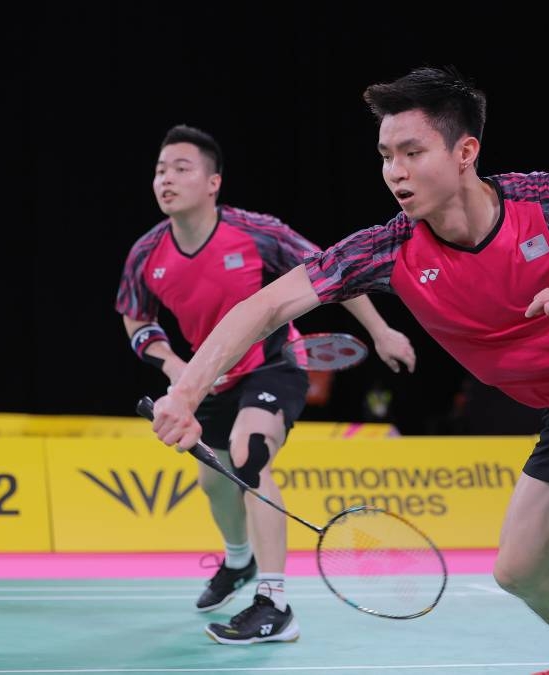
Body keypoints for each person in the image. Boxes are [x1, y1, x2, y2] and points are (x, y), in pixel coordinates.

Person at [146, 69, 549, 675]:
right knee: (520, 571)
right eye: (386, 156)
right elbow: (264, 306)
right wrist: (185, 393)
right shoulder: (388, 249)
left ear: (465, 152)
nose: (395, 170)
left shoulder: (543, 200)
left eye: (413, 152)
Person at [115, 124, 416, 645]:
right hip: (208, 380)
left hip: (272, 365)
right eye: (160, 170)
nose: (166, 179)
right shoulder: (147, 253)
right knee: (215, 481)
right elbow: (135, 318)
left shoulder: (258, 233)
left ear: (213, 182)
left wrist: (381, 329)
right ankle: (238, 561)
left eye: (181, 169)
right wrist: (173, 366)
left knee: (249, 454)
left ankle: (274, 604)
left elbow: (333, 272)